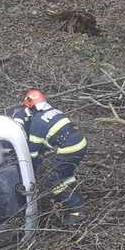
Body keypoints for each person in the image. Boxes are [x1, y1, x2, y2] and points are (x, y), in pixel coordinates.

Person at [21, 88, 87, 226]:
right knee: (64, 174)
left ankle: (76, 211)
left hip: (70, 148)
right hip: (79, 142)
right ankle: (72, 191)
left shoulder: (37, 122)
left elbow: (32, 154)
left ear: (32, 106)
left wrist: (29, 172)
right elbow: (51, 135)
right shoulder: (53, 111)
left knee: (51, 182)